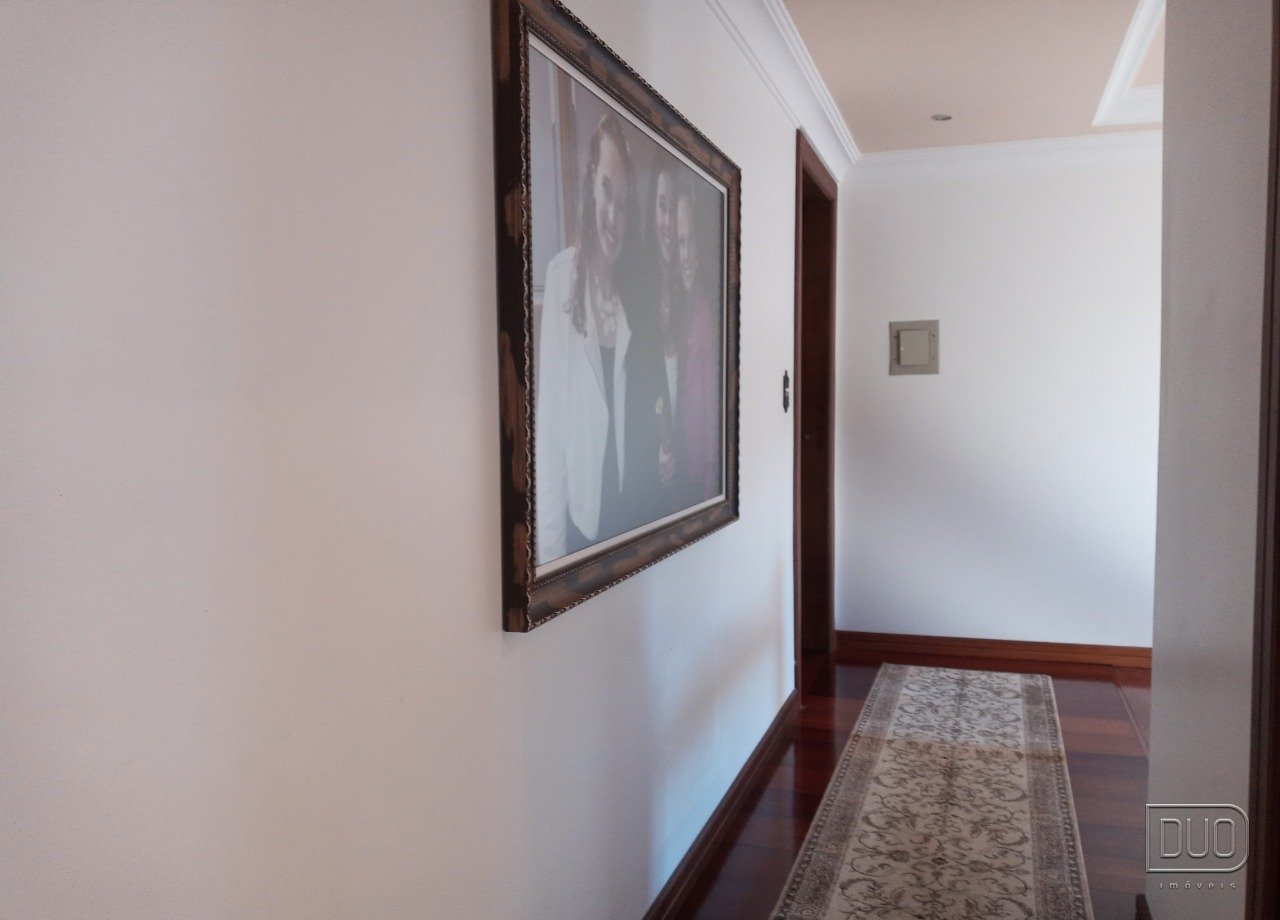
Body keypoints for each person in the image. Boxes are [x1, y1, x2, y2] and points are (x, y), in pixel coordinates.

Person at [535, 114, 639, 565]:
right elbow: (550, 433)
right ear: (590, 185)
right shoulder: (563, 278)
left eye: (624, 204)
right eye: (606, 191)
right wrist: (551, 558)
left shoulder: (631, 287)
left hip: (629, 516)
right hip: (582, 523)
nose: (613, 216)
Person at [673, 175, 722, 504]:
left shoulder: (706, 312)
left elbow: (711, 403)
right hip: (673, 465)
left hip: (699, 471)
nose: (687, 254)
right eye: (680, 242)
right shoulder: (667, 307)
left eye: (691, 241)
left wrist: (710, 479)